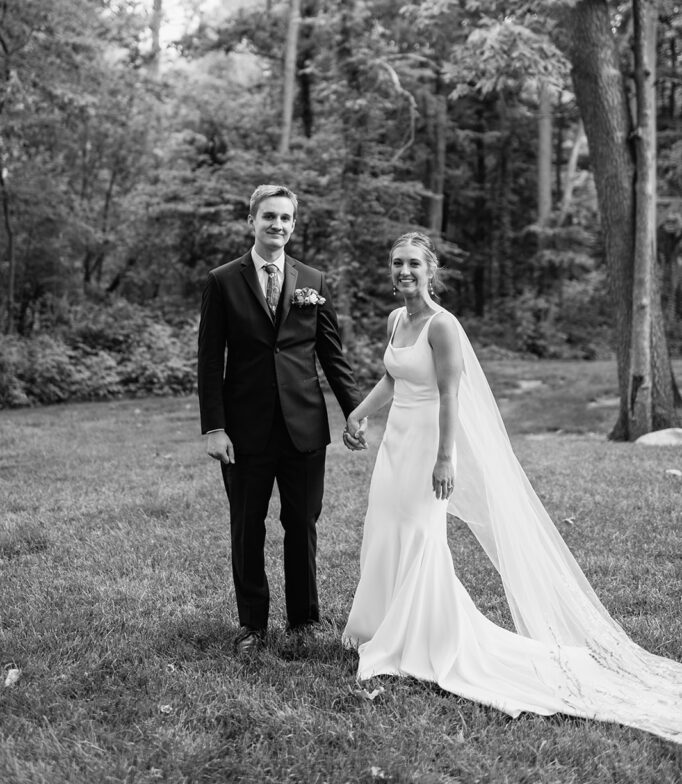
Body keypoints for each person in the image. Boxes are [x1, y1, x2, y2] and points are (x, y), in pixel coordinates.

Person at [341, 231, 682, 744]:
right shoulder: (396, 320)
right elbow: (393, 380)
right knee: (385, 530)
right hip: (394, 447)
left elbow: (452, 394)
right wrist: (358, 414)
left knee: (419, 537)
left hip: (429, 446)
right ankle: (378, 626)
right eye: (396, 263)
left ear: (430, 270)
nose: (404, 271)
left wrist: (444, 458)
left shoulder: (443, 325)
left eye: (413, 263)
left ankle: (421, 640)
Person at [198, 184, 365, 654]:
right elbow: (210, 360)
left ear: (294, 225)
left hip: (304, 427)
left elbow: (332, 355)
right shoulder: (222, 281)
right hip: (245, 429)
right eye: (269, 217)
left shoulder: (313, 279)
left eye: (286, 219)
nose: (278, 225)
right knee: (247, 527)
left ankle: (304, 620)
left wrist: (353, 410)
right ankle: (252, 624)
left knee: (302, 524)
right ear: (251, 221)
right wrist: (214, 427)